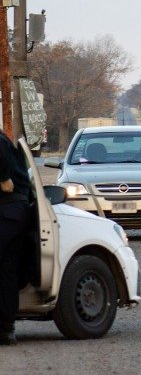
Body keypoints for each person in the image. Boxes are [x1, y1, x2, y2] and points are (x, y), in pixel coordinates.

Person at [0, 130, 32, 345]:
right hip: (15, 210)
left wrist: (2, 178)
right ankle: (6, 328)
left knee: (4, 270)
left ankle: (5, 329)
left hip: (9, 210)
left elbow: (7, 183)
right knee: (6, 271)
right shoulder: (3, 139)